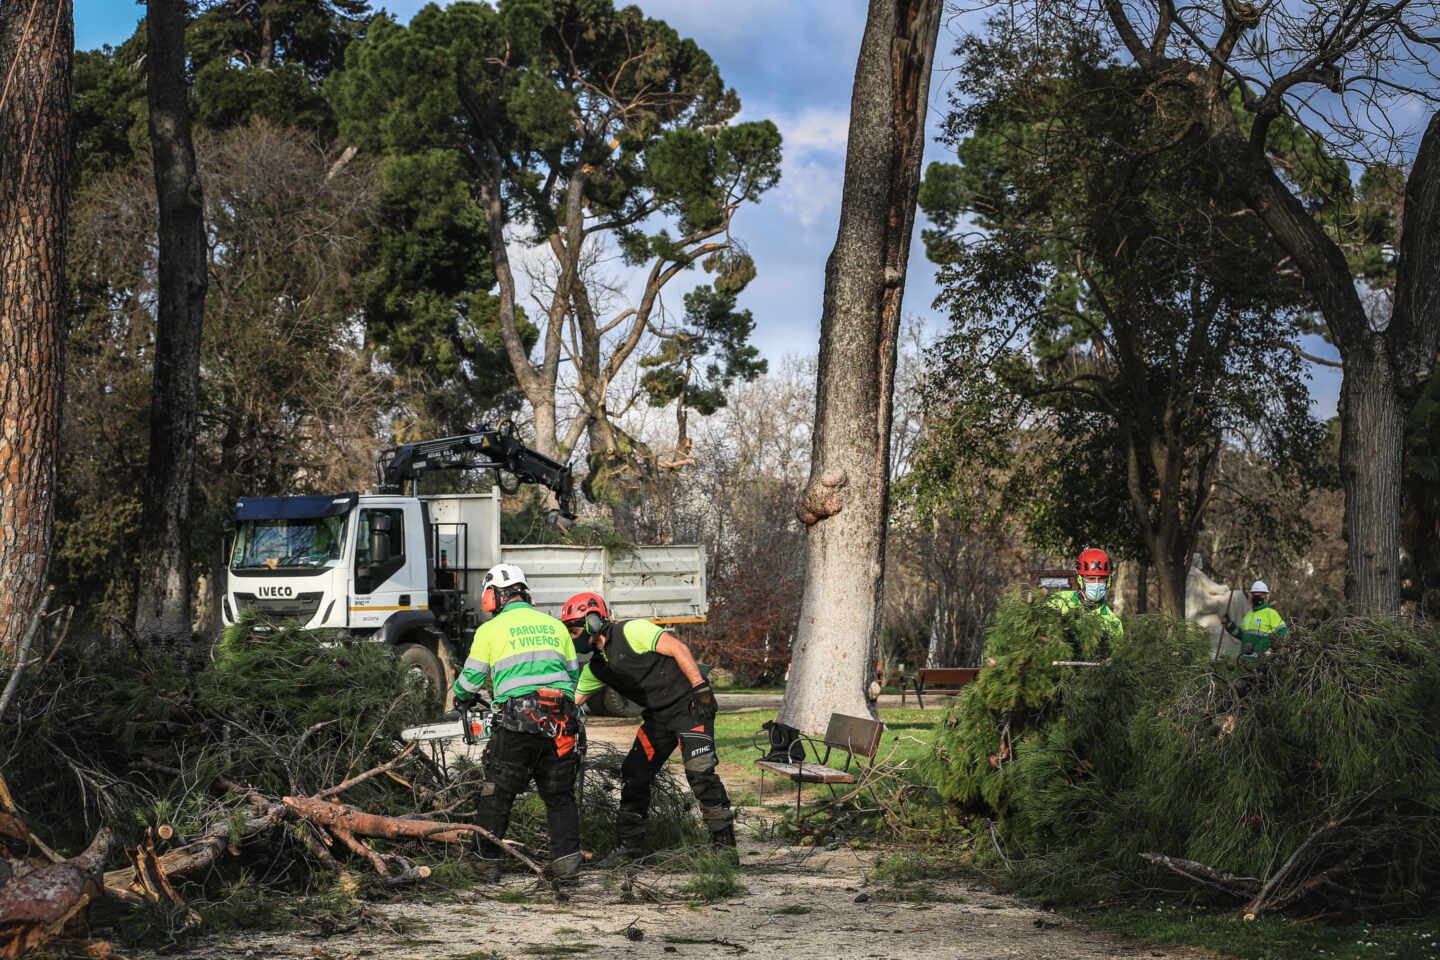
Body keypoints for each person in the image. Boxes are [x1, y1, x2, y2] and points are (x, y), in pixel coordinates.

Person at [560, 591, 735, 863]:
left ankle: (724, 847)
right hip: (659, 717)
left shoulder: (632, 630)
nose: (572, 636)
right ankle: (630, 847)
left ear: (593, 622)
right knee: (635, 772)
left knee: (700, 773)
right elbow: (573, 703)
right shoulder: (595, 668)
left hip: (690, 705)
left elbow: (678, 649)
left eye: (573, 629)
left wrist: (700, 687)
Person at [452, 563, 583, 880]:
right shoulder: (555, 627)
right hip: (561, 722)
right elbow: (573, 675)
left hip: (518, 722)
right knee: (559, 796)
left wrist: (460, 698)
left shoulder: (489, 631)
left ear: (494, 596)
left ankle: (486, 863)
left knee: (497, 792)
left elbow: (470, 681)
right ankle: (567, 865)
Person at [1049, 547, 1123, 646]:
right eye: (1091, 579)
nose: (1096, 583)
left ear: (1108, 582)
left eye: (1101, 579)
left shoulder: (1113, 623)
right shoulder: (1058, 600)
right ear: (1080, 580)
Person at [1225, 580, 1287, 659]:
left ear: (1265, 596)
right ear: (1251, 595)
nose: (1257, 596)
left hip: (1261, 661)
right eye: (1254, 594)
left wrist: (1266, 648)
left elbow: (1283, 632)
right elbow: (1241, 635)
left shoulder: (1271, 613)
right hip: (1244, 660)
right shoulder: (1249, 615)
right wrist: (1229, 625)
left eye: (1260, 594)